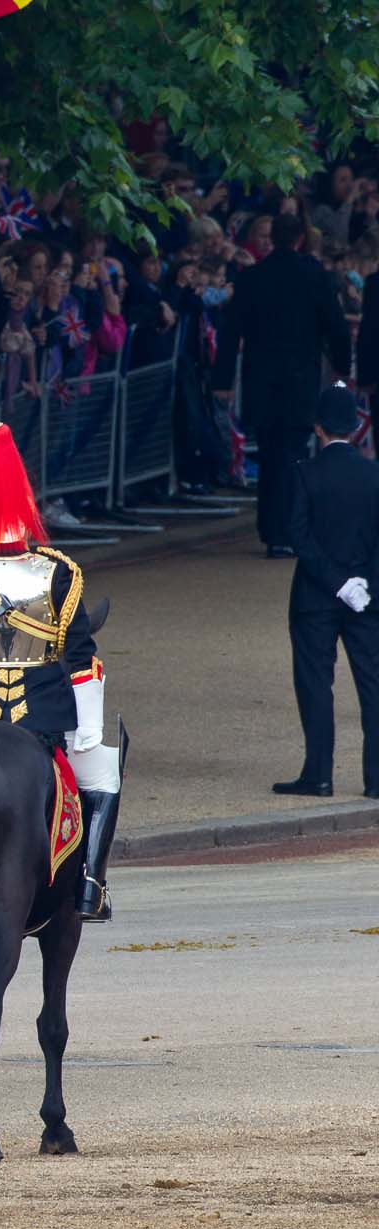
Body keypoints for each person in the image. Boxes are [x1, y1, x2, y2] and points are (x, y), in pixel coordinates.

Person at [0, 422, 122, 923]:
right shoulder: (57, 570)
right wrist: (87, 734)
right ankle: (90, 886)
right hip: (40, 714)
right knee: (102, 776)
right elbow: (81, 657)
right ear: (26, 498)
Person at [213, 213, 353, 555]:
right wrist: (341, 366)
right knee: (290, 454)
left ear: (273, 238)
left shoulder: (253, 277)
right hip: (299, 378)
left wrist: (222, 378)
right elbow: (336, 326)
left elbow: (231, 330)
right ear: (300, 239)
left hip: (262, 377)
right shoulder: (314, 276)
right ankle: (283, 531)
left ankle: (272, 527)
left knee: (271, 452)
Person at [277, 384, 379, 800]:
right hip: (368, 597)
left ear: (318, 428)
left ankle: (318, 774)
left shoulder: (306, 472)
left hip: (317, 596)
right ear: (357, 427)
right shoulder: (374, 475)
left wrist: (337, 583)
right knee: (372, 685)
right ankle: (376, 779)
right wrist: (361, 583)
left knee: (316, 684)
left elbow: (298, 537)